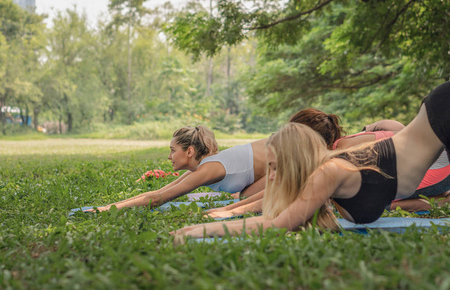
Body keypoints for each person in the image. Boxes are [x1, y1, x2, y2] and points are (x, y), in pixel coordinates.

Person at [172, 81, 450, 239]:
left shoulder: (329, 171)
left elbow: (277, 224)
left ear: (294, 161)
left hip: (440, 118)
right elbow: (279, 207)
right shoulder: (325, 176)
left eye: (274, 167)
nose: (269, 177)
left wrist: (196, 231)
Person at [86, 125, 267, 212]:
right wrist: (108, 206)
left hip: (286, 152)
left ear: (189, 151)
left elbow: (158, 199)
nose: (169, 156)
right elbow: (159, 191)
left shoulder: (207, 169)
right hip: (273, 166)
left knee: (252, 199)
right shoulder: (198, 169)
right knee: (246, 196)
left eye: (173, 151)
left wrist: (104, 210)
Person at [204, 108, 345, 218]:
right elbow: (281, 189)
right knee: (247, 195)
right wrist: (229, 208)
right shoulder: (316, 155)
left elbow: (287, 199)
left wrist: (234, 211)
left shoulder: (332, 161)